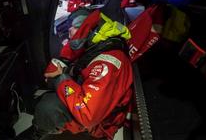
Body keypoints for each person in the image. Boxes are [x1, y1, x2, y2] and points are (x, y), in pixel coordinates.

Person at [16, 9, 133, 140]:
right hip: (95, 104)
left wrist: (61, 78)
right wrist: (64, 68)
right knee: (43, 99)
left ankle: (36, 133)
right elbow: (61, 68)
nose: (69, 32)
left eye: (72, 27)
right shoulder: (96, 45)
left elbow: (87, 114)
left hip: (102, 123)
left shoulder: (107, 64)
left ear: (83, 28)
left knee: (48, 107)